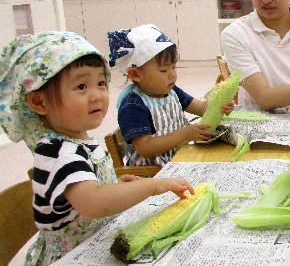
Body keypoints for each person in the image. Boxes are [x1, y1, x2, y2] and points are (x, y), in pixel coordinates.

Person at [0, 32, 197, 265]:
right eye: (81, 86)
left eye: (101, 83)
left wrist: (114, 186)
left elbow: (88, 189)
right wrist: (152, 185)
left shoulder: (79, 140)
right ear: (39, 102)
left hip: (98, 240)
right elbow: (93, 202)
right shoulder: (56, 152)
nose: (96, 96)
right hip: (74, 255)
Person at [109, 24, 235, 167]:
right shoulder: (133, 105)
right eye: (163, 70)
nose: (172, 75)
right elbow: (145, 148)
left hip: (178, 159)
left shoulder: (171, 91)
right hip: (154, 174)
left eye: (174, 67)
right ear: (135, 74)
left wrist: (220, 105)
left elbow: (200, 108)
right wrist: (184, 134)